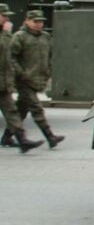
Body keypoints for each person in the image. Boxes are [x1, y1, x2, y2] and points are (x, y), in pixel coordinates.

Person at [11, 10, 64, 149]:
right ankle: (50, 137)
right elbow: (11, 58)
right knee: (36, 108)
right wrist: (21, 73)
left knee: (21, 109)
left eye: (41, 21)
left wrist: (49, 71)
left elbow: (52, 55)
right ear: (27, 21)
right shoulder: (19, 37)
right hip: (24, 80)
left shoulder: (45, 37)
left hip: (39, 79)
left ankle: (6, 137)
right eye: (36, 21)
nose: (39, 24)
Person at [0, 4, 38, 152]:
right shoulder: (5, 34)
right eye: (4, 16)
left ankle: (22, 140)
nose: (7, 19)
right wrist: (7, 33)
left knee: (11, 111)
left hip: (3, 82)